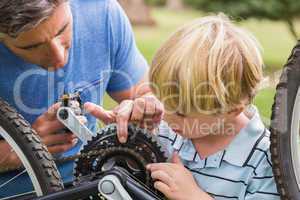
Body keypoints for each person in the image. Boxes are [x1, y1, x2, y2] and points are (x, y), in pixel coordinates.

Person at [0, 0, 163, 197]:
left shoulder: (101, 11)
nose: (58, 58)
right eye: (32, 46)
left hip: (95, 180)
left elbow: (144, 92)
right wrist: (19, 149)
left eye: (62, 30)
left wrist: (142, 107)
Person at [146, 14, 280, 200]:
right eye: (163, 100)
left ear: (232, 109)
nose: (166, 117)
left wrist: (195, 196)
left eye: (180, 112)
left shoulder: (265, 163)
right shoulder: (166, 134)